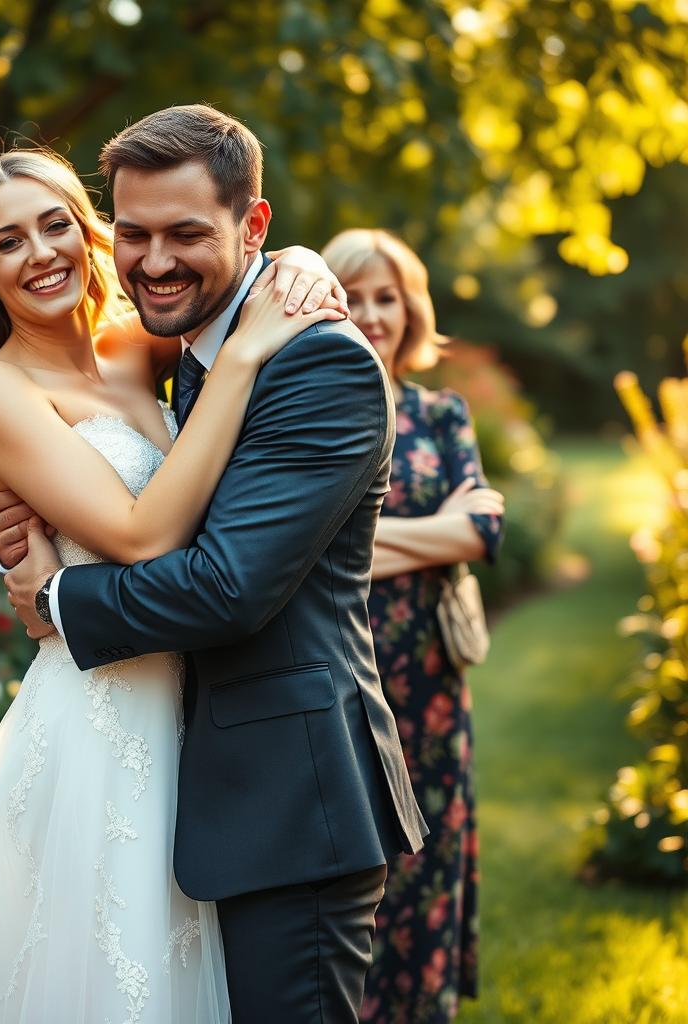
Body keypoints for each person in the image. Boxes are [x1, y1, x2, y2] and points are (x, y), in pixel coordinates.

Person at [0, 140, 350, 1024]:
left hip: (199, 706)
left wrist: (303, 263)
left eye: (56, 224)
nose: (42, 252)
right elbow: (140, 531)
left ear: (90, 234)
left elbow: (228, 270)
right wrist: (245, 363)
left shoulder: (138, 347)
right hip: (101, 709)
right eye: (8, 242)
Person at [0, 104, 427, 1024]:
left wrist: (56, 598)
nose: (153, 261)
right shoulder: (175, 355)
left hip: (289, 806)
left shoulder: (318, 366)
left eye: (187, 233)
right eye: (133, 233)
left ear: (253, 225)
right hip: (174, 788)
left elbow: (227, 586)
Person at [320, 228, 504, 1024]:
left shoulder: (441, 414)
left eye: (385, 297)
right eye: (352, 296)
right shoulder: (308, 411)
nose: (370, 313)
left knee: (429, 859)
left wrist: (347, 542)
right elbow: (291, 554)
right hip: (345, 676)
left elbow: (481, 534)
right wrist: (435, 535)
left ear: (410, 308)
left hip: (431, 684)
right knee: (355, 869)